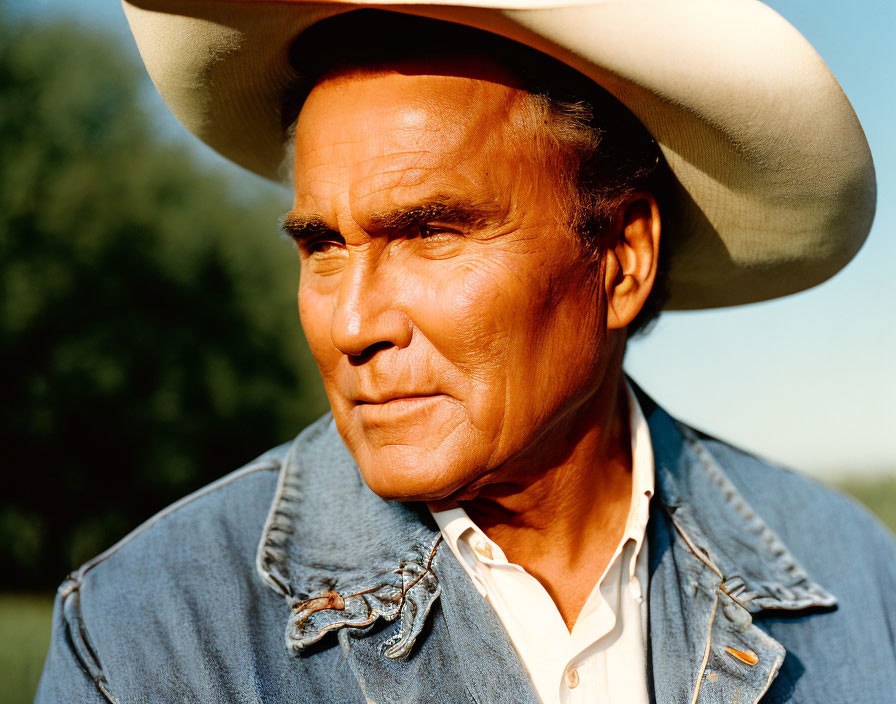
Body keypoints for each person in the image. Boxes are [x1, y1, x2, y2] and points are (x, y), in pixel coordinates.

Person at [37, 2, 894, 703]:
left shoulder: (858, 584)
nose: (351, 324)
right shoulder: (146, 635)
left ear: (622, 258)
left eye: (430, 233)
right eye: (322, 245)